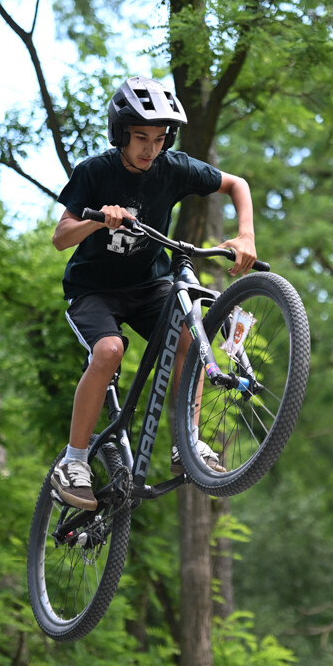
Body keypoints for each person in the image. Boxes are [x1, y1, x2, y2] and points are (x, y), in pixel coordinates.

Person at [50, 76, 257, 510]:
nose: (150, 148)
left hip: (149, 286)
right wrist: (98, 219)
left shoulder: (173, 167)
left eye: (159, 139)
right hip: (94, 291)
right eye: (141, 137)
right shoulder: (96, 171)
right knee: (109, 351)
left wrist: (245, 236)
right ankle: (72, 461)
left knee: (190, 337)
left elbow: (237, 184)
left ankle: (188, 443)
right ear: (120, 135)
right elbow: (61, 237)